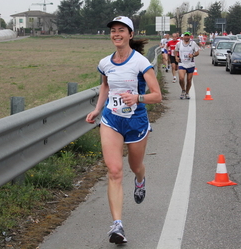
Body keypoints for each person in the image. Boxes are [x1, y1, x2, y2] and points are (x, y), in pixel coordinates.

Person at [85, 16, 162, 245]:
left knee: (134, 166)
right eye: (113, 31)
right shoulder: (105, 63)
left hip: (136, 121)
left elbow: (156, 96)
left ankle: (140, 179)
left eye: (121, 30)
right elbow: (105, 86)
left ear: (130, 34)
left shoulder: (140, 63)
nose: (116, 34)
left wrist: (137, 97)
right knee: (115, 171)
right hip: (111, 120)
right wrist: (98, 109)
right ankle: (117, 225)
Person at [175, 31, 200, 99]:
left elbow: (197, 52)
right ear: (183, 37)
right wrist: (176, 57)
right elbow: (175, 51)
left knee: (189, 80)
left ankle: (187, 92)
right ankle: (183, 90)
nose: (186, 37)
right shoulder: (179, 44)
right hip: (182, 63)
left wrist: (193, 55)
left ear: (190, 37)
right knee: (181, 78)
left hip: (190, 64)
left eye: (188, 36)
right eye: (185, 36)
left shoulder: (193, 43)